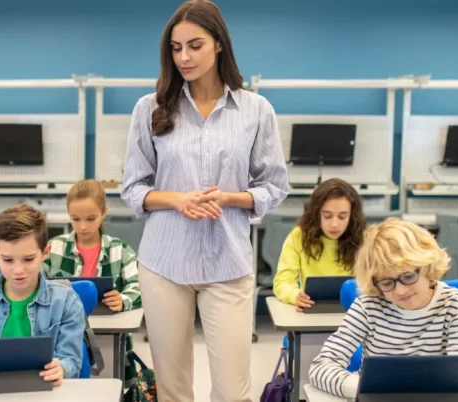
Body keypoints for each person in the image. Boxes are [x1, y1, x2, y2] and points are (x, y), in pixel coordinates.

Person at [121, 0, 289, 399]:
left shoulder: (256, 110)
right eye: (176, 48)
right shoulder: (151, 108)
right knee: (173, 388)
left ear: (218, 44)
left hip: (227, 261)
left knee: (233, 391)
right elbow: (133, 188)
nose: (184, 57)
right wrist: (177, 200)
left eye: (194, 45)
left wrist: (234, 197)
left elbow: (274, 186)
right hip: (164, 262)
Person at [308, 218, 458, 399]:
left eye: (408, 276)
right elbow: (320, 367)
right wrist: (362, 388)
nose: (400, 290)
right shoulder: (368, 306)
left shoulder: (456, 304)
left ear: (427, 266)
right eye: (387, 282)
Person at [0, 204, 86, 391]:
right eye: (8, 260)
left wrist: (61, 368)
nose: (18, 270)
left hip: (44, 394)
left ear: (45, 252)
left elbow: (72, 361)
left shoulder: (67, 302)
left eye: (28, 259)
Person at [41, 179, 141, 380]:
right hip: (62, 331)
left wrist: (123, 300)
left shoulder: (120, 251)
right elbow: (36, 282)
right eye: (75, 219)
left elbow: (138, 287)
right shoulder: (54, 248)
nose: (83, 226)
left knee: (110, 385)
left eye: (91, 218)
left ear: (104, 212)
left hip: (109, 331)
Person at [273, 178, 366, 311]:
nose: (334, 224)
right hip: (312, 310)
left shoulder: (363, 239)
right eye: (327, 216)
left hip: (354, 314)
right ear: (316, 214)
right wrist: (295, 295)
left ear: (352, 216)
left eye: (342, 217)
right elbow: (282, 282)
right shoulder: (299, 236)